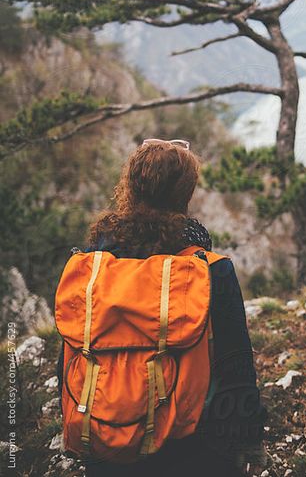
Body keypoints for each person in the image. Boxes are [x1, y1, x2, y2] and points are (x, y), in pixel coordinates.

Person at [56, 138, 267, 477]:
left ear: (130, 187)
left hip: (106, 447)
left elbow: (68, 365)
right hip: (193, 451)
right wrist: (244, 447)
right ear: (186, 194)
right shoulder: (210, 270)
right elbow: (236, 368)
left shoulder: (89, 271)